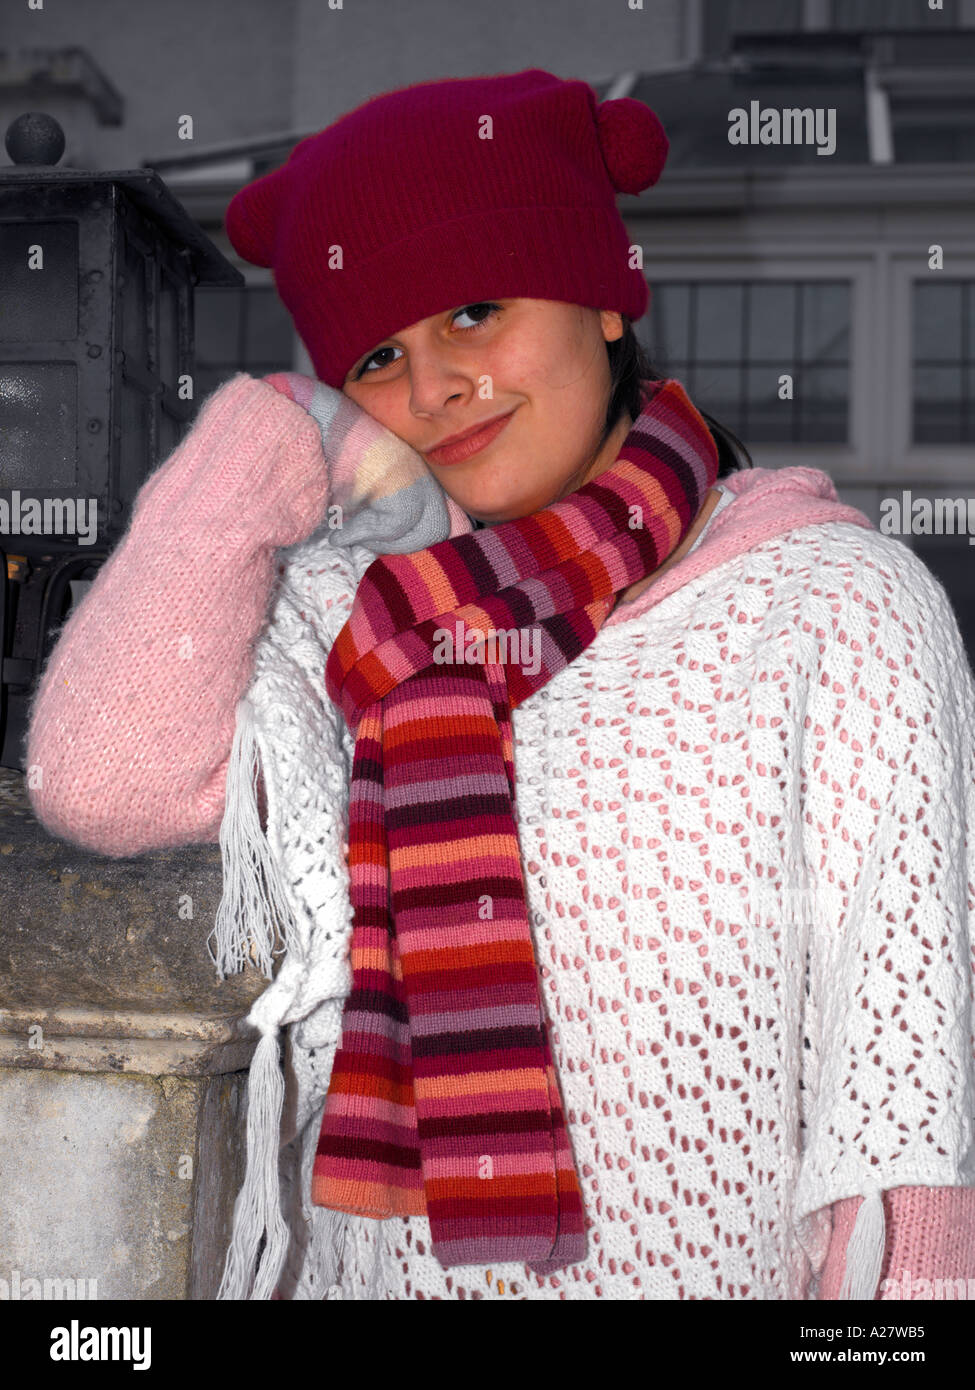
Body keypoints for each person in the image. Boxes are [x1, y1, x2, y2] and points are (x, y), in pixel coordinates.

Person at [25, 69, 975, 1302]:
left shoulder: (834, 607)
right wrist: (270, 441)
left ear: (605, 300)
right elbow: (98, 779)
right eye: (376, 356)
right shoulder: (355, 622)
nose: (433, 389)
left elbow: (905, 1124)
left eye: (476, 310)